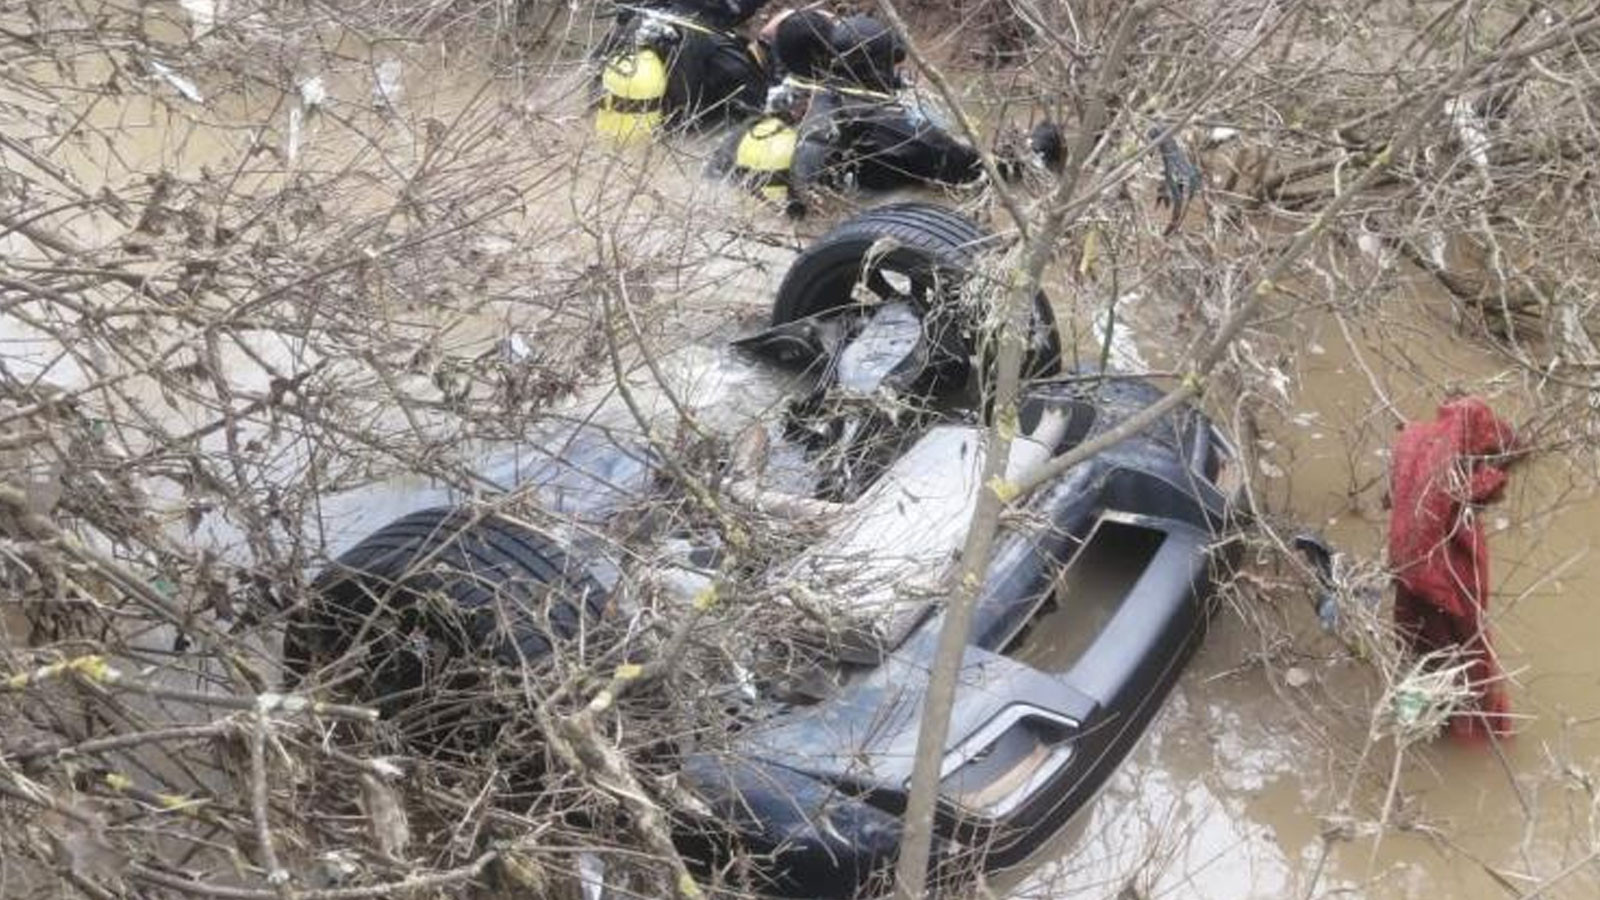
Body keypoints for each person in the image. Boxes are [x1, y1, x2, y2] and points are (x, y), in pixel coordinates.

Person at [709, 12, 990, 214]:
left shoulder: (784, 109)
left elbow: (713, 177)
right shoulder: (895, 125)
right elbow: (974, 171)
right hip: (853, 220)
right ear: (880, 66)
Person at [593, 1, 775, 138]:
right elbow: (760, 111)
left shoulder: (630, 24)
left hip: (610, 134)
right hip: (679, 146)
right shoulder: (724, 55)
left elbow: (593, 78)